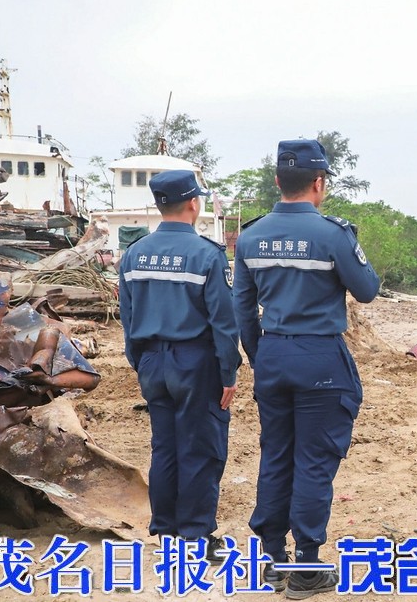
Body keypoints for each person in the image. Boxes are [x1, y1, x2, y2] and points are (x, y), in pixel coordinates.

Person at [233, 139, 380, 598]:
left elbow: (242, 307)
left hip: (273, 356)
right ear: (319, 184)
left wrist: (261, 355)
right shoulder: (334, 234)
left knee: (276, 455)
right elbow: (368, 290)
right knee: (314, 462)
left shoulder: (251, 236)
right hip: (320, 358)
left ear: (278, 181)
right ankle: (307, 567)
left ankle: (271, 560)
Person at [118, 169, 242, 560]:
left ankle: (167, 531)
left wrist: (140, 361)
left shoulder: (134, 254)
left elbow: (128, 315)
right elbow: (224, 322)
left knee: (165, 447)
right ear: (193, 203)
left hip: (152, 360)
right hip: (196, 362)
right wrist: (228, 372)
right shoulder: (207, 254)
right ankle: (196, 535)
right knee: (200, 447)